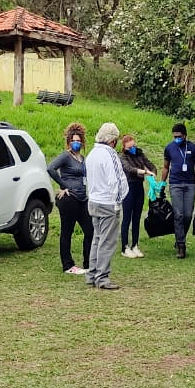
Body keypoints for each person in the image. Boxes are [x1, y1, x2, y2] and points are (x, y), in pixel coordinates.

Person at [85, 122, 129, 290]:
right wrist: (117, 203)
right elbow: (116, 180)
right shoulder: (109, 154)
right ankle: (102, 277)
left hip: (93, 201)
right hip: (108, 203)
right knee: (107, 241)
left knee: (97, 239)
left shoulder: (92, 154)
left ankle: (92, 274)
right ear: (112, 140)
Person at [46, 123, 92, 275]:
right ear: (69, 142)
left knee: (90, 230)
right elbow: (50, 168)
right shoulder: (66, 156)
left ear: (82, 142)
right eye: (73, 141)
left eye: (78, 140)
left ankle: (88, 263)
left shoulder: (82, 158)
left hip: (82, 198)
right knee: (67, 231)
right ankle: (68, 265)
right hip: (69, 198)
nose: (76, 143)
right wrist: (63, 185)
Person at [161, 122, 195, 259]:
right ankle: (181, 245)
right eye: (174, 136)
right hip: (175, 184)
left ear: (185, 135)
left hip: (190, 184)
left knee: (188, 215)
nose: (177, 139)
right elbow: (166, 167)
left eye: (179, 136)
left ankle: (180, 237)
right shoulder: (169, 148)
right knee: (178, 214)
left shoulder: (193, 147)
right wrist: (162, 183)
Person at [118, 133, 157, 259]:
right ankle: (124, 247)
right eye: (130, 147)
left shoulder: (139, 154)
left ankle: (135, 245)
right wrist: (145, 172)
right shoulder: (122, 157)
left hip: (139, 187)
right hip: (128, 188)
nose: (133, 149)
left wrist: (153, 173)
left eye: (134, 146)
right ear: (125, 148)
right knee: (127, 218)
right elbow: (129, 169)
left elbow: (150, 165)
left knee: (136, 218)